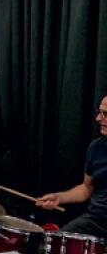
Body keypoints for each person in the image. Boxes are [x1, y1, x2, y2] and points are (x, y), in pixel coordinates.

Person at [37, 95, 107, 236]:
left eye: (105, 114)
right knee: (54, 246)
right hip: (96, 221)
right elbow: (87, 188)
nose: (98, 118)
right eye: (99, 112)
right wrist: (59, 197)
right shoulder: (96, 148)